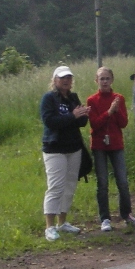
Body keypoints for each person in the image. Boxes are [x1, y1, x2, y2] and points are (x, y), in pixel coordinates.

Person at [86, 67, 135, 232]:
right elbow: (94, 124)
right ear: (96, 81)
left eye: (107, 78)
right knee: (102, 182)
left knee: (122, 181)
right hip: (99, 145)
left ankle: (127, 214)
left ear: (112, 80)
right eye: (101, 79)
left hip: (116, 144)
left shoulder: (119, 98)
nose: (104, 82)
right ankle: (105, 218)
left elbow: (123, 123)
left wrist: (116, 112)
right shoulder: (92, 100)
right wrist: (108, 112)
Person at [40, 65, 89, 241]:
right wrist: (73, 116)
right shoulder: (49, 99)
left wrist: (84, 115)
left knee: (70, 186)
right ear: (55, 80)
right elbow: (50, 121)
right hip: (55, 148)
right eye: (62, 78)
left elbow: (80, 122)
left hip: (73, 147)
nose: (66, 80)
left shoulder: (73, 98)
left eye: (68, 77)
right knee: (55, 186)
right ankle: (49, 226)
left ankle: (62, 222)